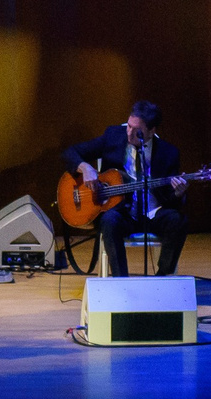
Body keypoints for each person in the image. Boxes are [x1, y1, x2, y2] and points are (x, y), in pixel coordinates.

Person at [61, 99, 189, 276]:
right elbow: (70, 152)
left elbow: (171, 201)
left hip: (152, 215)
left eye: (137, 131)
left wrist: (178, 193)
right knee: (109, 221)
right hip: (122, 213)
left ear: (152, 131)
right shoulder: (114, 136)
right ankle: (121, 281)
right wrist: (86, 167)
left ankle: (162, 278)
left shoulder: (169, 153)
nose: (129, 133)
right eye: (128, 125)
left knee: (178, 220)